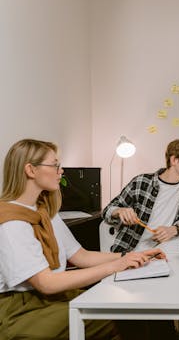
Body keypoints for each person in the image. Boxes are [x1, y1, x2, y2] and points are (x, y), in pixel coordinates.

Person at [0, 139, 168, 339]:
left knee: (133, 306)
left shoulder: (44, 211)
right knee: (120, 315)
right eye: (55, 165)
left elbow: (82, 257)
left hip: (51, 297)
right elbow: (46, 283)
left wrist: (133, 256)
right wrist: (118, 265)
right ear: (30, 170)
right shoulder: (11, 222)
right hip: (21, 309)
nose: (61, 171)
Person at [103, 139, 179, 253]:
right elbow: (106, 211)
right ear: (174, 160)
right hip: (132, 251)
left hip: (167, 250)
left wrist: (174, 229)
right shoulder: (141, 182)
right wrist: (119, 211)